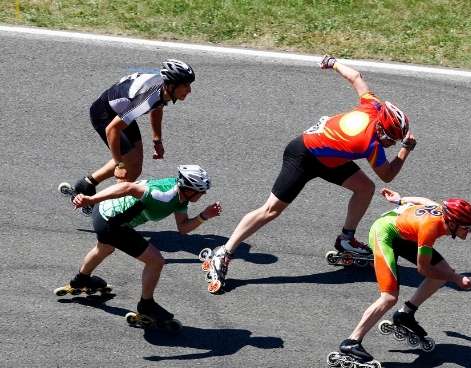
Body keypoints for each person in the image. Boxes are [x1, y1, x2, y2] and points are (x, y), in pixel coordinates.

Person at [206, 55, 416, 290]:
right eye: (391, 139)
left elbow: (355, 77)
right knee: (271, 210)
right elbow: (388, 175)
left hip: (329, 158)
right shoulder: (370, 143)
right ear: (380, 128)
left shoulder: (373, 106)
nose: (392, 144)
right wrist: (406, 150)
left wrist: (332, 62)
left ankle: (346, 240)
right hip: (303, 156)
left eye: (397, 141)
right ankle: (224, 252)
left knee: (365, 188)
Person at [57, 165, 221, 325]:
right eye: (201, 191)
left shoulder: (180, 197)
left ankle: (80, 280)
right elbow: (127, 187)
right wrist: (91, 199)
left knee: (104, 248)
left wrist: (204, 216)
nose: (204, 194)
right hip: (111, 223)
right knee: (156, 261)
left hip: (105, 214)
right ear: (189, 189)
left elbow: (183, 228)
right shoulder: (161, 195)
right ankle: (146, 306)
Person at [337, 187, 471, 365]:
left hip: (403, 232)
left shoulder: (441, 212)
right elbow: (423, 269)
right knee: (389, 297)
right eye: (466, 228)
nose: (469, 231)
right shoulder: (431, 228)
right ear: (451, 222)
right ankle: (351, 343)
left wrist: (400, 199)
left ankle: (405, 314)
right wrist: (456, 279)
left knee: (442, 273)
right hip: (384, 234)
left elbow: (424, 201)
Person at [69, 59, 196, 201]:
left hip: (120, 110)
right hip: (105, 115)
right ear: (172, 85)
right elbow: (112, 129)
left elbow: (157, 107)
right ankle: (108, 210)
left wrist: (157, 140)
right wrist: (119, 165)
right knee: (127, 169)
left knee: (135, 167)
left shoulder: (163, 90)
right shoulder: (148, 98)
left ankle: (86, 184)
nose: (189, 90)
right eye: (185, 85)